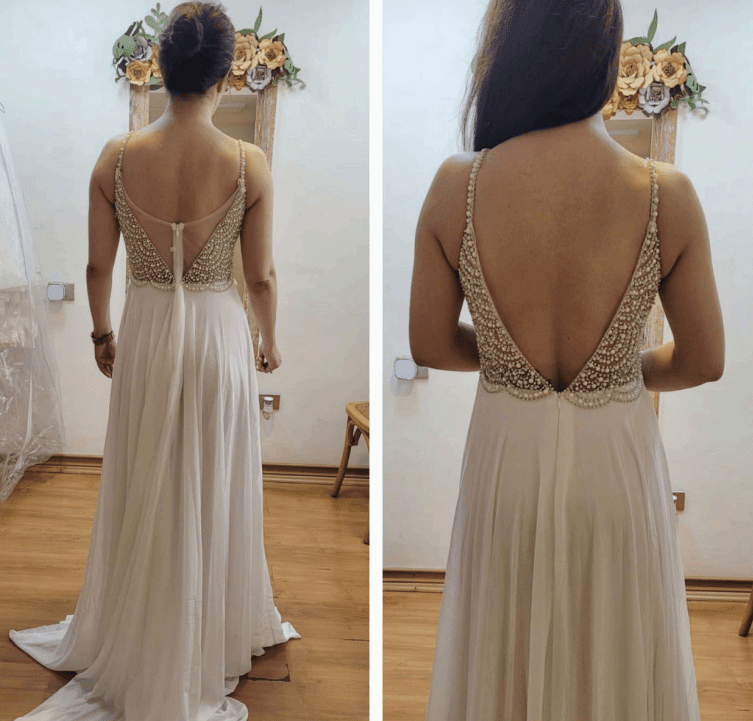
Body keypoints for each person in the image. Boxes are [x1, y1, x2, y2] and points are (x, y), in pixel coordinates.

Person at [409, 0, 724, 719]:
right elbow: (704, 360)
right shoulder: (663, 193)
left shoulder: (456, 184)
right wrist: (622, 370)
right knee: (615, 650)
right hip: (616, 464)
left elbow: (429, 343)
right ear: (607, 58)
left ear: (508, 55)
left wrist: (504, 360)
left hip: (506, 462)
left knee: (504, 644)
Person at [8, 3, 299, 719]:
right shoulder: (247, 162)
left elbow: (95, 266)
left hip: (146, 331)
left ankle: (141, 613)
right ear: (225, 76)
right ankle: (208, 623)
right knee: (212, 471)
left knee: (147, 470)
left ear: (161, 70)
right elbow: (260, 277)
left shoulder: (116, 155)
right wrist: (269, 340)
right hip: (217, 334)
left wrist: (101, 335)